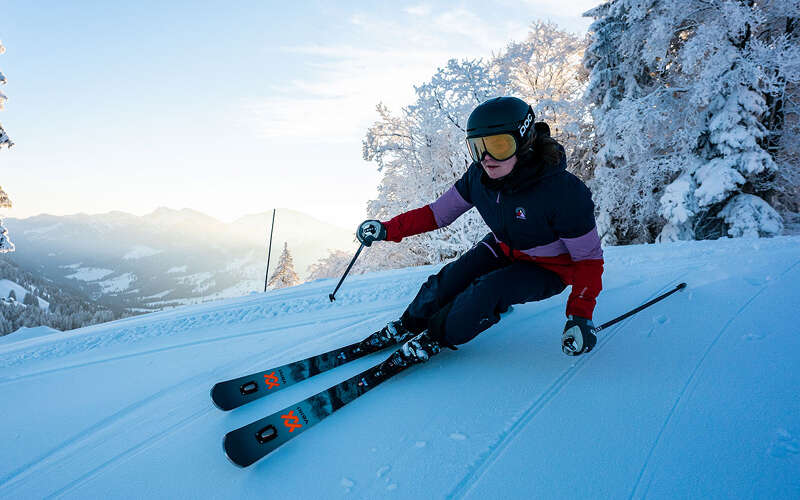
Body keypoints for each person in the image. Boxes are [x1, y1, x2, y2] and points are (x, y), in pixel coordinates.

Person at [356, 96, 603, 361]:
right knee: (447, 281)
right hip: (503, 248)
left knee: (486, 291)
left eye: (499, 145)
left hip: (551, 268)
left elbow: (588, 260)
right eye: (478, 148)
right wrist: (387, 229)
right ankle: (410, 323)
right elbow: (437, 214)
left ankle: (437, 336)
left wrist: (580, 316)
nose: (486, 158)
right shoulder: (479, 179)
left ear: (524, 142)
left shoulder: (563, 193)